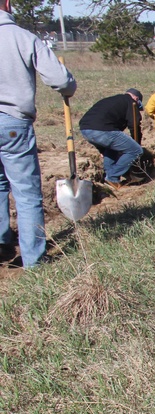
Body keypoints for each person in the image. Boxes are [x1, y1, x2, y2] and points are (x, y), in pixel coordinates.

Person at [0, 0, 76, 268]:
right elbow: (60, 80)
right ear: (8, 4)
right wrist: (69, 87)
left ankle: (1, 243)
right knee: (26, 192)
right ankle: (33, 259)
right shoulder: (23, 38)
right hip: (12, 124)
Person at [79, 89, 144, 188]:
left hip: (85, 129)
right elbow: (134, 124)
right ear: (136, 98)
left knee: (111, 149)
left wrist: (101, 149)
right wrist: (137, 144)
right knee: (136, 150)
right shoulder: (131, 102)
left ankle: (109, 179)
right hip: (102, 130)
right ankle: (112, 177)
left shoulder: (114, 100)